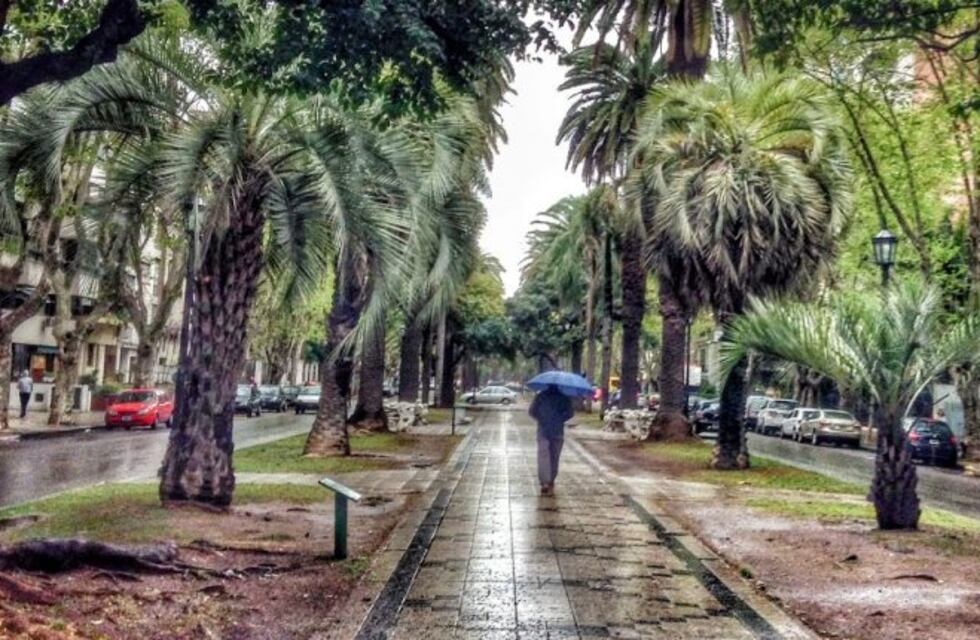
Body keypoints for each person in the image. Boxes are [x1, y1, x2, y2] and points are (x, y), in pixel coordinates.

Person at [529, 384, 574, 496]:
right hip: (558, 430)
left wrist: (541, 419)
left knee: (543, 456)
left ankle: (545, 482)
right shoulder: (564, 397)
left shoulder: (540, 396)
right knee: (554, 456)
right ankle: (551, 480)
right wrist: (561, 419)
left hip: (543, 430)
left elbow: (531, 411)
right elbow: (570, 413)